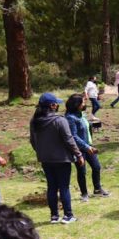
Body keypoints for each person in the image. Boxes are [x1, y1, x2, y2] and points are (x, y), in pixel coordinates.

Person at [30, 93, 84, 224]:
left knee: (52, 187)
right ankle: (68, 215)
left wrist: (41, 152)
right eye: (56, 103)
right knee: (64, 187)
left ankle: (54, 216)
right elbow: (69, 140)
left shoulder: (35, 121)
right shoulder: (60, 120)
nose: (58, 105)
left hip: (45, 159)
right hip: (62, 159)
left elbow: (33, 141)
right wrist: (79, 154)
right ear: (52, 105)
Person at [64, 95, 109, 202]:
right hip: (78, 149)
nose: (85, 104)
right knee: (82, 171)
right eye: (83, 102)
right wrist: (86, 146)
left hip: (88, 146)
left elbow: (85, 128)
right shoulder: (70, 118)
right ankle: (84, 194)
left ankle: (97, 189)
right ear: (77, 105)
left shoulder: (81, 115)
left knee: (96, 167)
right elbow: (74, 136)